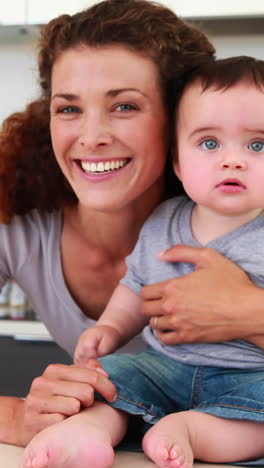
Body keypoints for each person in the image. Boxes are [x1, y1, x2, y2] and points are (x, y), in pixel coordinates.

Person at [21, 56, 264, 468]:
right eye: (209, 143)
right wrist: (111, 328)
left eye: (258, 145)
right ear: (177, 161)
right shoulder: (164, 220)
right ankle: (89, 433)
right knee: (111, 377)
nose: (233, 160)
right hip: (164, 366)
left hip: (250, 377)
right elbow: (135, 284)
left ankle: (190, 431)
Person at [0, 0, 221, 448]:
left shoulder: (242, 215)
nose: (91, 136)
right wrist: (18, 417)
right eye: (68, 109)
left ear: (179, 119)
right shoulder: (17, 222)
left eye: (123, 107)